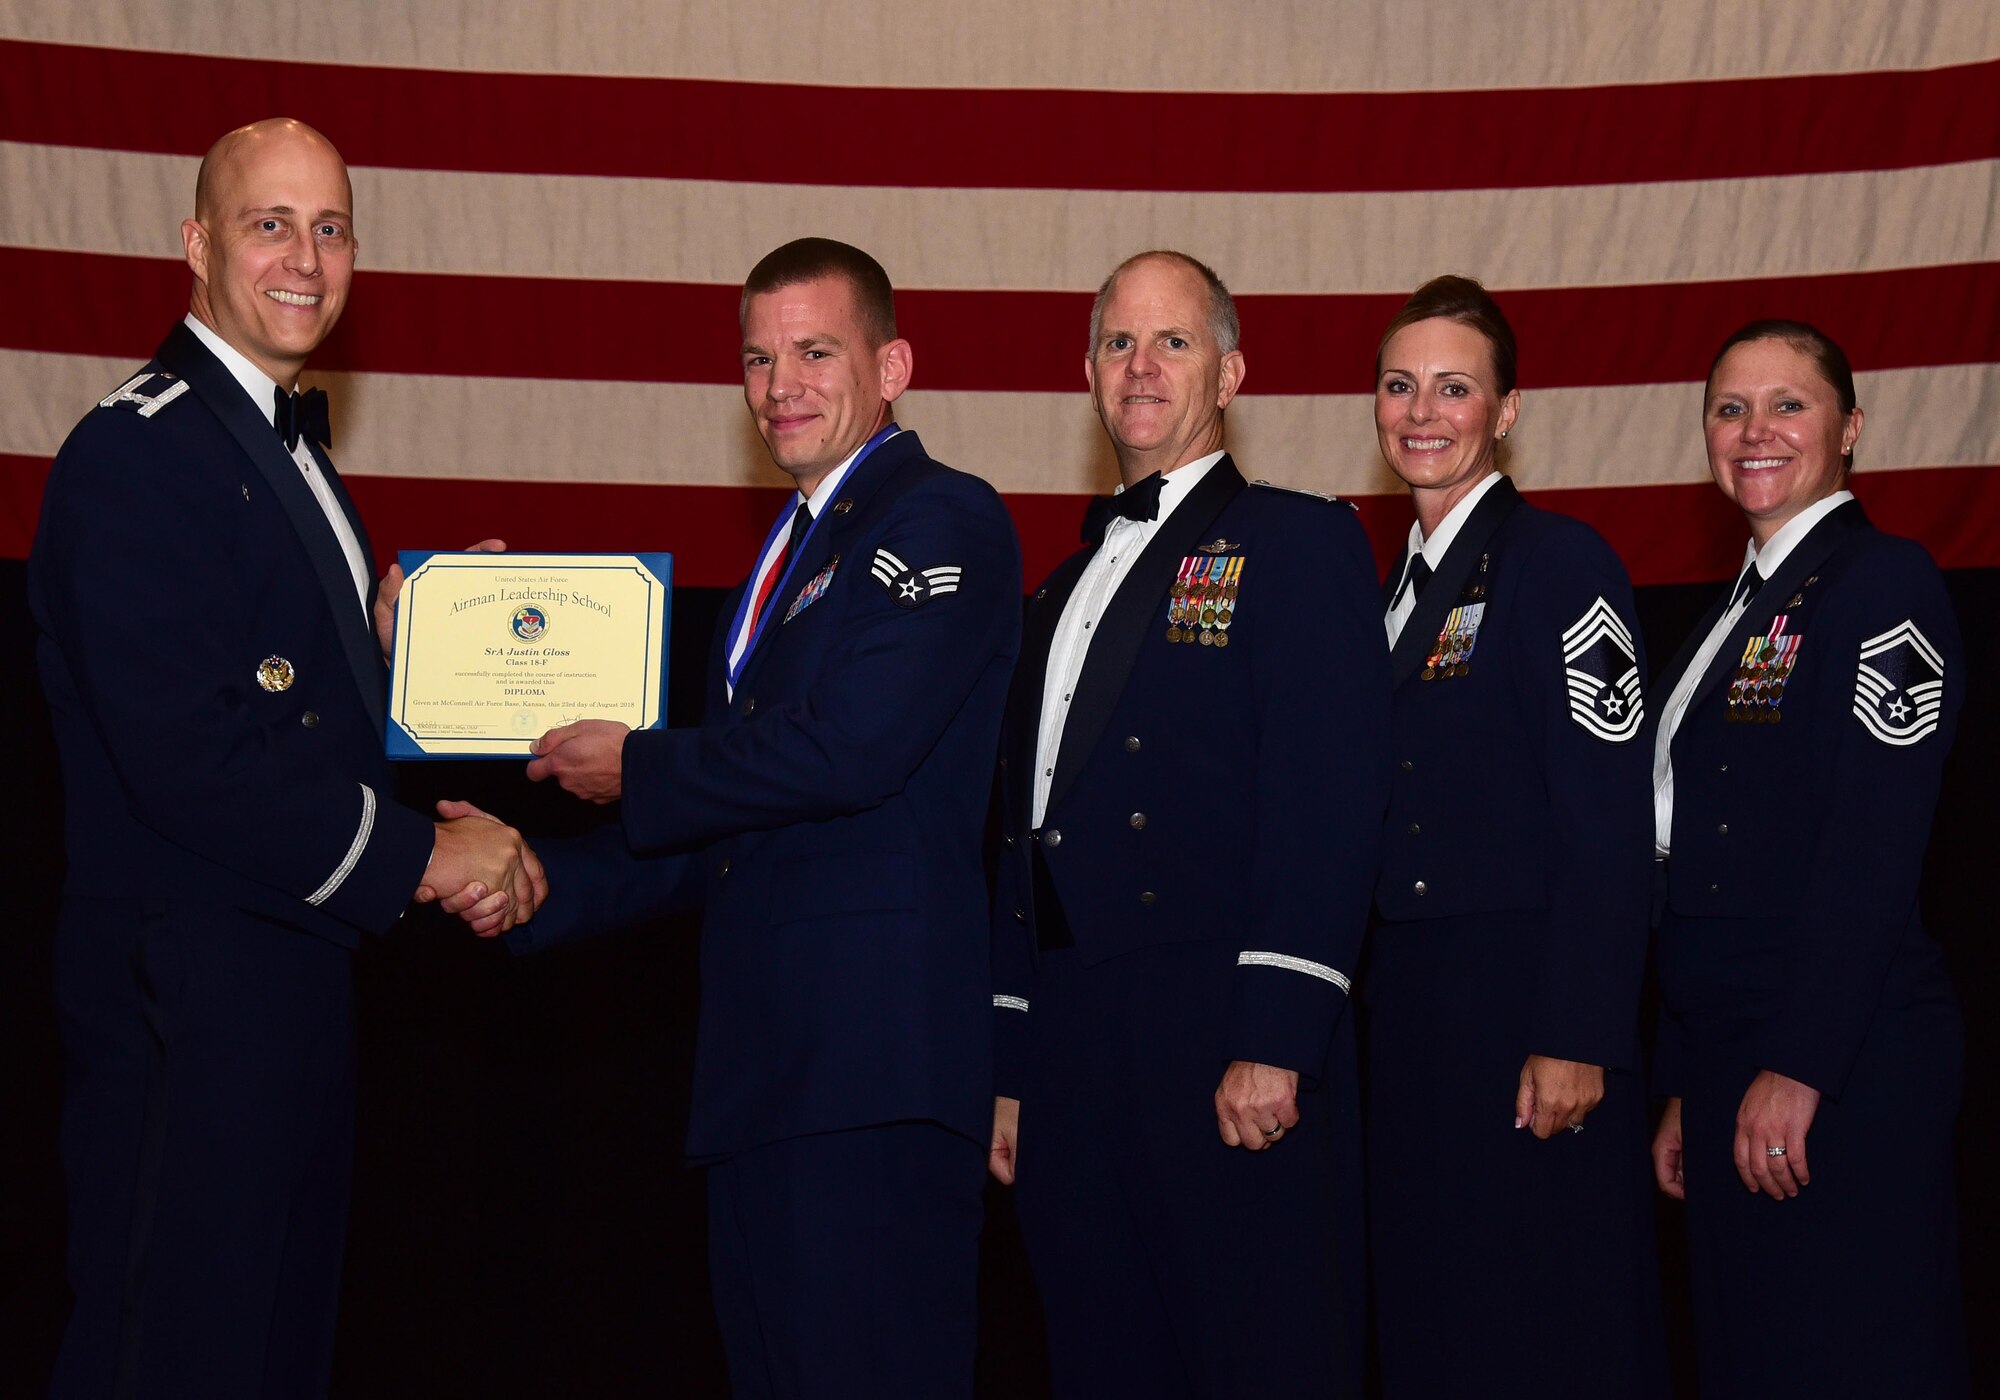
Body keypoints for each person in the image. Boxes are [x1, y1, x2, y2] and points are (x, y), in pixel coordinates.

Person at [27, 118, 541, 1399]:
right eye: (270, 223)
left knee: (268, 1350)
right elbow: (191, 756)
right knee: (176, 1353)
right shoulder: (137, 452)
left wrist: (395, 643)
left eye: (330, 227)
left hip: (282, 995)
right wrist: (428, 855)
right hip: (186, 1010)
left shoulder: (275, 442)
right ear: (197, 244)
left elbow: (284, 690)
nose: (304, 258)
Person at [503, 238, 1021, 1397]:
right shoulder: (781, 563)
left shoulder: (941, 519)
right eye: (755, 357)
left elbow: (851, 746)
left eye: (813, 351)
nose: (778, 383)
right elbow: (720, 845)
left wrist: (640, 764)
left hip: (871, 1072)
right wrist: (529, 877)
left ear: (891, 364)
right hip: (765, 1080)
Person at [984, 250, 1389, 1396]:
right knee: (1101, 1353)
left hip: (1220, 1029)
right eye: (1118, 343)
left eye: (1172, 341)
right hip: (1072, 1044)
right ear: (1088, 372)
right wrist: (1010, 1056)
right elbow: (1018, 839)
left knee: (1256, 1354)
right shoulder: (1059, 587)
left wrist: (1276, 1028)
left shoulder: (1298, 540)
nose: (1141, 367)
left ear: (1229, 372)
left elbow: (1330, 793)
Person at [1649, 320, 1967, 1397]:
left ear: (1848, 431)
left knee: (1849, 1357)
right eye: (1728, 407)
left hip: (1845, 1061)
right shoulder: (1726, 616)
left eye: (1786, 405)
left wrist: (1800, 1062)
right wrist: (1689, 1080)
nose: (1753, 431)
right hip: (1731, 1053)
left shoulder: (1882, 584)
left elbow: (1871, 847)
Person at [1366, 275, 1666, 1395]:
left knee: (1550, 1322)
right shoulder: (1386, 588)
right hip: (1413, 1021)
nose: (1421, 410)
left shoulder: (1556, 561)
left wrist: (1579, 1025)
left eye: (1453, 387)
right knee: (1440, 1317)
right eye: (1399, 385)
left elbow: (1605, 810)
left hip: (1525, 1018)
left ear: (1503, 410)